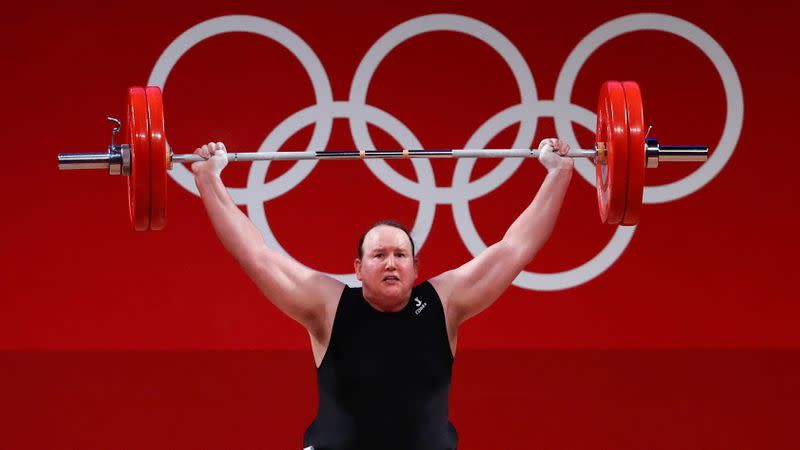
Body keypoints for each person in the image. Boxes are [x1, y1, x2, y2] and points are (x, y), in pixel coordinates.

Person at [190, 139, 573, 450]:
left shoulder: (445, 303)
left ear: (416, 268)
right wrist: (209, 180)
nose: (391, 264)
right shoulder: (327, 307)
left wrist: (559, 175)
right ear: (357, 269)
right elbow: (255, 255)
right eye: (379, 255)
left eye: (400, 255)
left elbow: (514, 249)